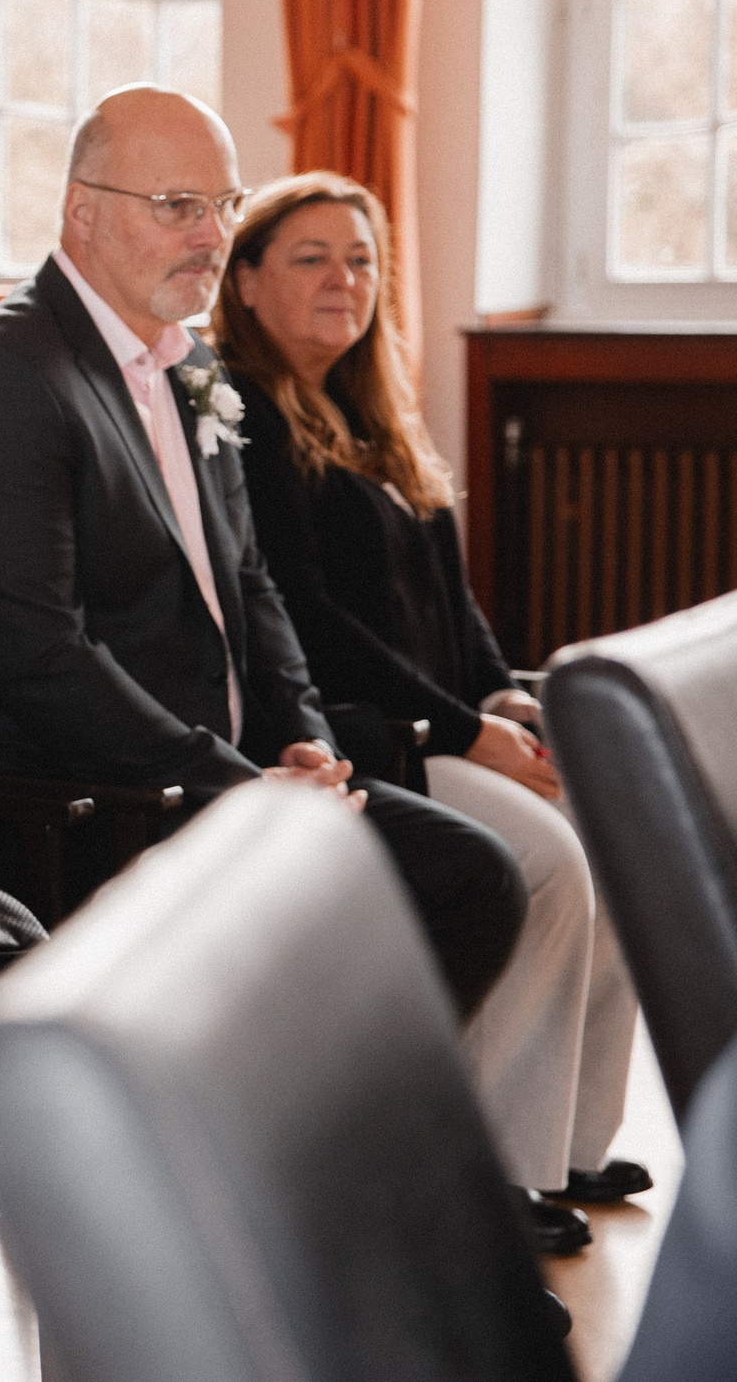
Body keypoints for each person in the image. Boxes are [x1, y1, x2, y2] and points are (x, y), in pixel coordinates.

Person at [0, 85, 525, 1023]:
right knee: (436, 887)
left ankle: (311, 1152)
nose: (211, 234)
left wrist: (307, 742)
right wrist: (236, 786)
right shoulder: (4, 374)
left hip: (229, 773)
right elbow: (38, 659)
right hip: (90, 800)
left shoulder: (191, 365)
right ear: (83, 212)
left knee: (478, 877)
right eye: (177, 206)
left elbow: (252, 585)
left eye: (224, 205)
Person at [215, 171, 645, 1249]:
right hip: (370, 735)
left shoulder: (376, 409)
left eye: (360, 260)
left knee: (616, 826)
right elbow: (309, 623)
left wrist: (501, 689)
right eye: (310, 256)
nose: (342, 279)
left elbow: (449, 601)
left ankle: (568, 1144)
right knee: (547, 862)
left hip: (451, 718)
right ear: (249, 281)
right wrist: (465, 731)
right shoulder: (247, 421)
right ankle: (489, 1169)